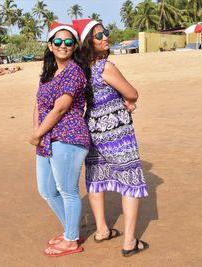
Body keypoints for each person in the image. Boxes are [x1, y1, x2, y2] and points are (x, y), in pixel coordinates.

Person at [72, 18, 149, 257]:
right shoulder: (105, 67)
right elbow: (132, 92)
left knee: (96, 177)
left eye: (105, 32)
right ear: (88, 42)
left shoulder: (80, 70)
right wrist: (128, 101)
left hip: (92, 129)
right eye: (99, 35)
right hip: (116, 131)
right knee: (130, 179)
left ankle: (102, 230)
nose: (105, 36)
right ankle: (129, 241)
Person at [29, 22, 90, 257]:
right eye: (58, 42)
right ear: (50, 46)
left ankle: (72, 240)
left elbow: (60, 108)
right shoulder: (47, 73)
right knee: (46, 190)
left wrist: (37, 134)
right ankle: (70, 231)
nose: (63, 46)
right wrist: (37, 131)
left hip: (69, 137)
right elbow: (38, 104)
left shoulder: (74, 71)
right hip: (47, 138)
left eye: (68, 42)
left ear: (74, 46)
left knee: (68, 190)